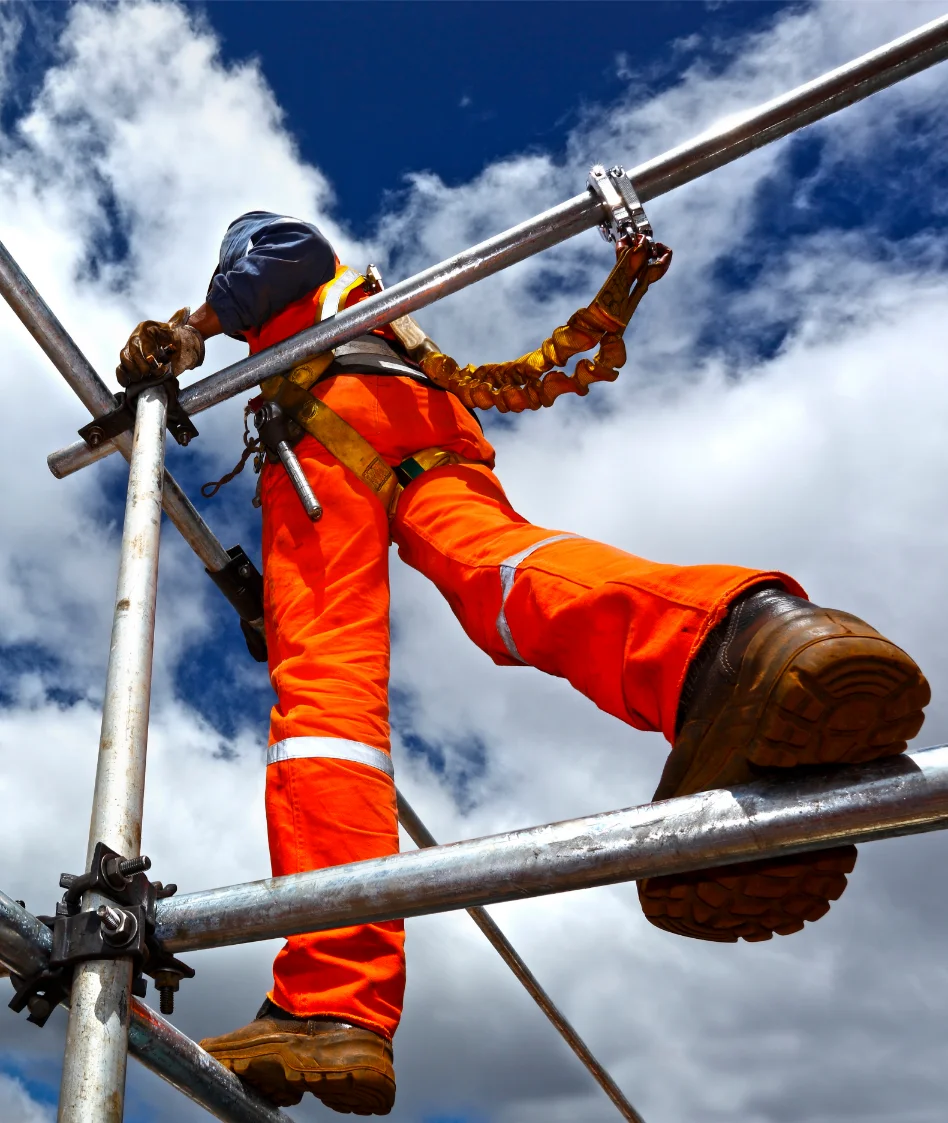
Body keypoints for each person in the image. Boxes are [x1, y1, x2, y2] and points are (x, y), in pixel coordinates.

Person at [118, 212, 930, 1115]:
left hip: (325, 424)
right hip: (419, 425)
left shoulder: (283, 266)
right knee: (497, 577)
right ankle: (725, 645)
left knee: (326, 697)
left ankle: (333, 998)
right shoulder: (371, 311)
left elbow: (282, 253)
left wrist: (192, 326)